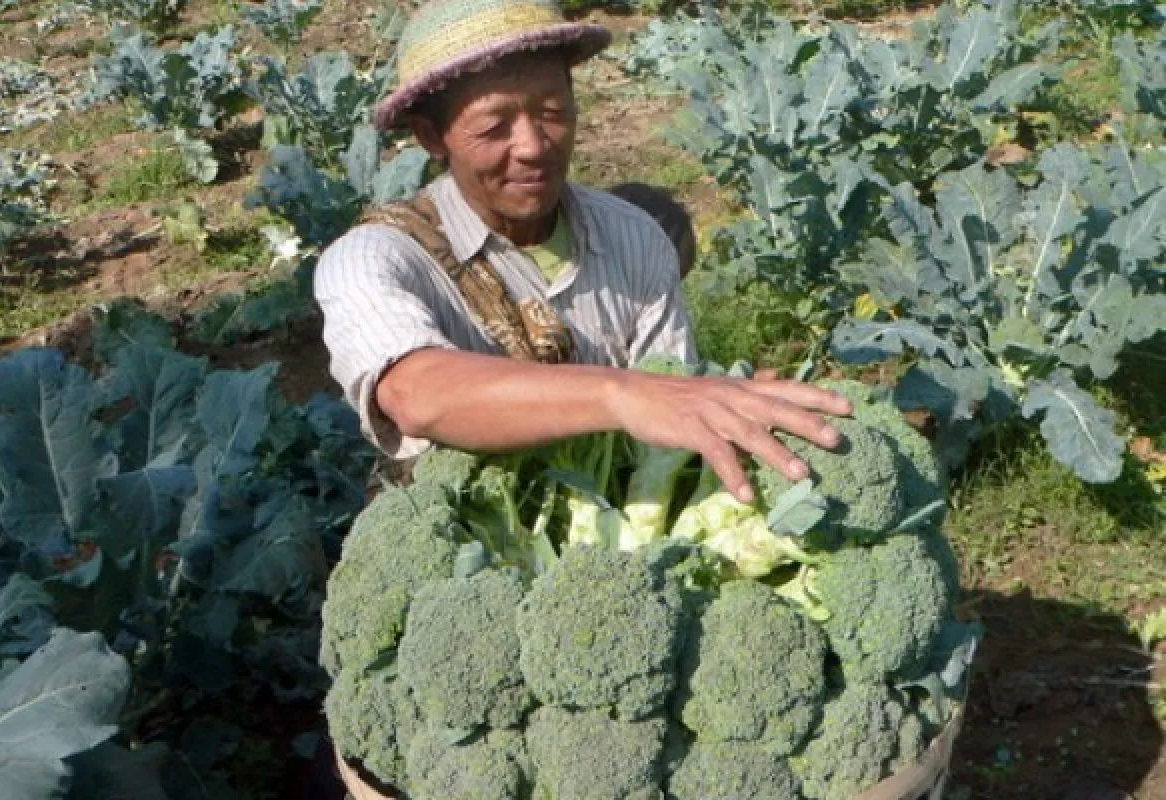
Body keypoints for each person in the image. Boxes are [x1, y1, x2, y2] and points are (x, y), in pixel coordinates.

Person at [313, 0, 851, 505]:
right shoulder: (374, 259)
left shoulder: (634, 238)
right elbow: (417, 395)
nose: (533, 146)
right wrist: (624, 394)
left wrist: (726, 405)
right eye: (494, 127)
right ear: (432, 136)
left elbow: (670, 424)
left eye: (552, 111)